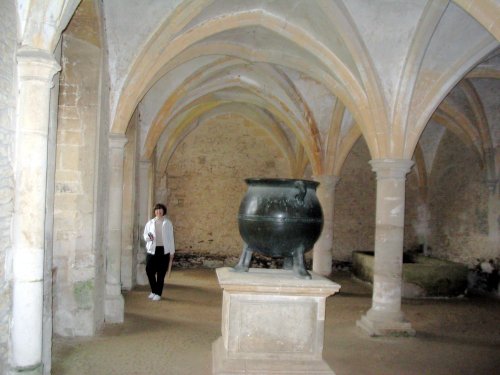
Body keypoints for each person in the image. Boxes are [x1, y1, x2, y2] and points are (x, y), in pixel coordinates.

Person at [143, 203, 175, 301]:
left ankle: (158, 293)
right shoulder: (150, 223)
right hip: (152, 250)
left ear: (163, 211)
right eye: (157, 210)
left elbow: (171, 238)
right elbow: (145, 236)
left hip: (164, 250)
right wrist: (149, 238)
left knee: (161, 273)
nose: (158, 211)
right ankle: (153, 290)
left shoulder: (168, 223)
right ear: (155, 212)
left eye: (160, 209)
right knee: (149, 271)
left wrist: (172, 252)